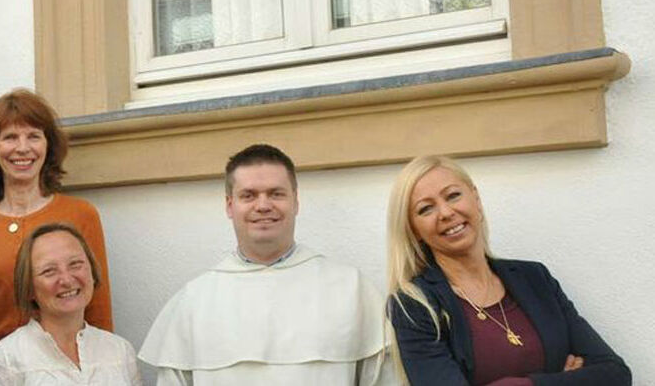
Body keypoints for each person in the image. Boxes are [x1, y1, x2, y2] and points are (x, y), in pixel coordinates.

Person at [138, 144, 395, 385]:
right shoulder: (193, 301)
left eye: (276, 194)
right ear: (230, 205)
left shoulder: (351, 289)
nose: (263, 205)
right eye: (248, 195)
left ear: (295, 201)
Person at [386, 155, 630, 385]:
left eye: (453, 196)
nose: (446, 213)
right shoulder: (413, 305)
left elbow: (615, 374)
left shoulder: (536, 279)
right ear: (414, 230)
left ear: (476, 200)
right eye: (426, 209)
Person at [0, 88, 113, 361]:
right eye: (10, 137)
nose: (23, 148)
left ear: (48, 145)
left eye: (33, 136)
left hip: (63, 370)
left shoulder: (81, 215)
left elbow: (98, 313)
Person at [0, 223, 141, 385]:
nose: (66, 280)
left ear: (92, 271)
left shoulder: (120, 352)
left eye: (75, 264)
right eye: (49, 271)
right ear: (29, 288)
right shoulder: (5, 360)